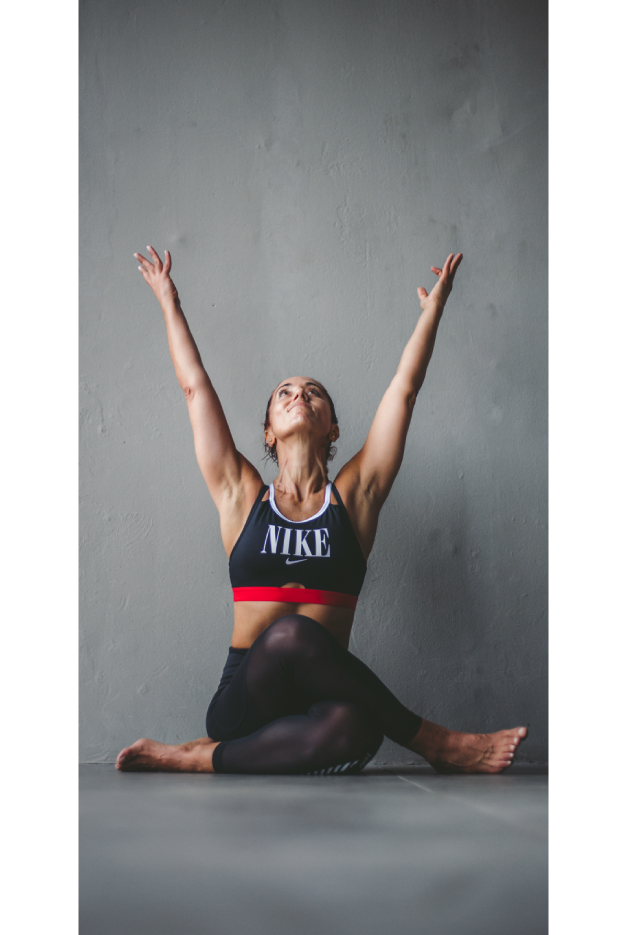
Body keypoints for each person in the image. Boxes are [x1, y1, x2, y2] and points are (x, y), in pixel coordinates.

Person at [116, 246, 527, 775]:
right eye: (284, 392)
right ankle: (436, 742)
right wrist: (170, 301)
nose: (298, 396)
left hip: (319, 702)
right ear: (267, 429)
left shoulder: (354, 499)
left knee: (359, 731)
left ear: (333, 427)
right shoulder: (242, 496)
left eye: (313, 393)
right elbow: (195, 389)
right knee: (289, 632)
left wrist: (434, 313)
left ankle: (199, 756)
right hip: (247, 695)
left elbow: (403, 393)